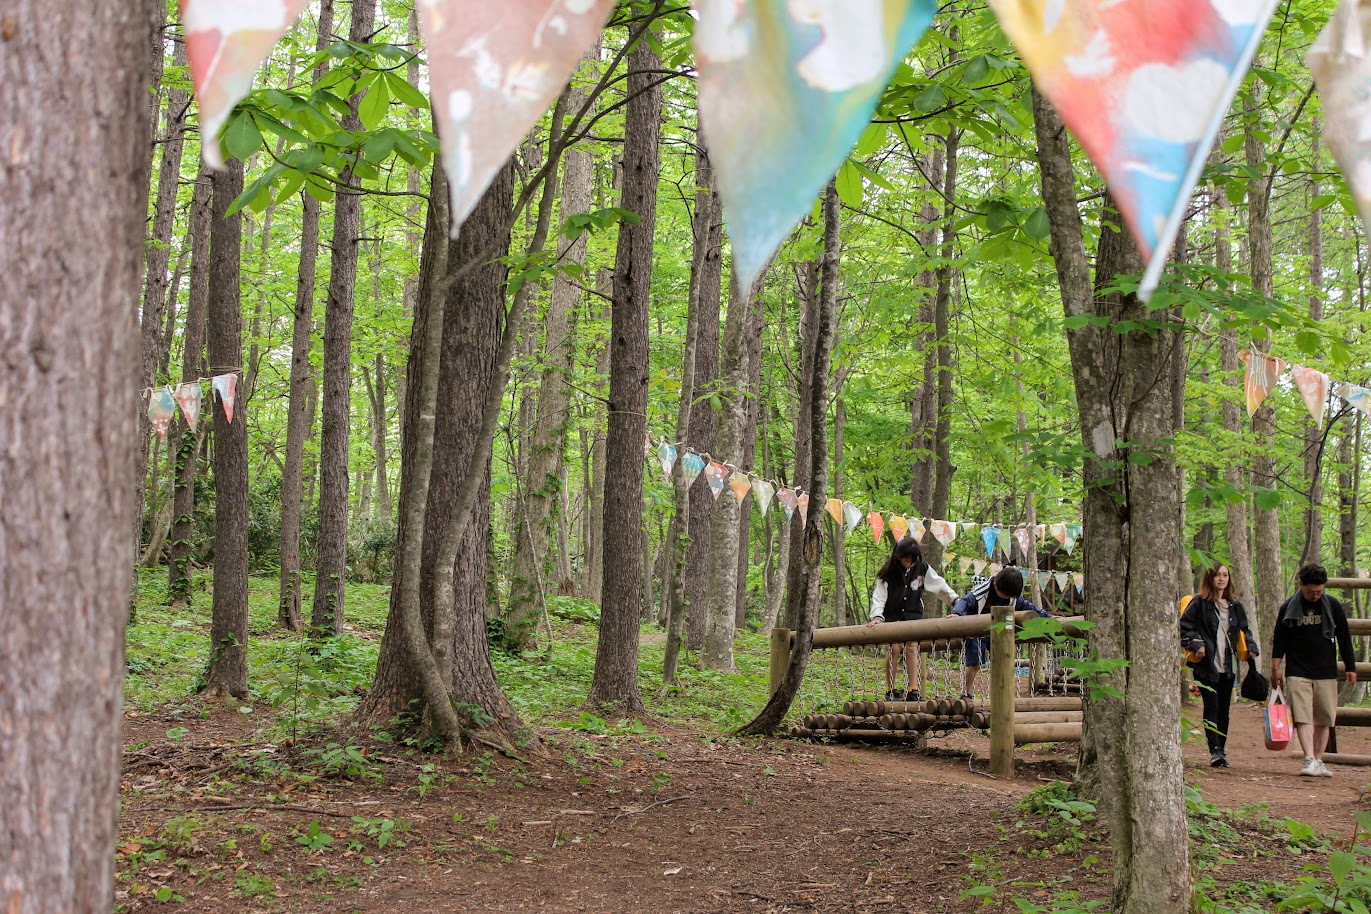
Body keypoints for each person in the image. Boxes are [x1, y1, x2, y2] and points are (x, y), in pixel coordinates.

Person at [1271, 563, 1357, 777]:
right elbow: (1280, 640)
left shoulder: (1333, 606)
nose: (1315, 595)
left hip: (1325, 670)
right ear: (1301, 585)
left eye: (1320, 591)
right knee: (1302, 715)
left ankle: (1319, 760)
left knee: (1324, 717)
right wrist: (1275, 668)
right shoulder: (1289, 607)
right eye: (1311, 591)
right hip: (1297, 668)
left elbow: (1344, 637)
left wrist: (1351, 666)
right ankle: (1308, 758)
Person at [1180, 564, 1259, 768]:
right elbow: (1183, 627)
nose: (1222, 579)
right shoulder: (1199, 603)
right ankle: (1214, 750)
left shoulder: (1235, 606)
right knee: (1212, 706)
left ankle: (1221, 749)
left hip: (1228, 665)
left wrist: (1251, 648)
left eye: (1225, 575)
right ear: (1210, 578)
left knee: (1224, 709)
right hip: (1206, 665)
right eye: (1217, 575)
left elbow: (1244, 631)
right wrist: (1197, 643)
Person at [866, 537, 958, 701]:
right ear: (898, 556)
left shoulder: (922, 567)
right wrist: (877, 617)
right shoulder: (887, 573)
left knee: (912, 647)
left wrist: (956, 602)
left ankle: (913, 689)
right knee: (894, 649)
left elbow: (939, 585)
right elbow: (879, 597)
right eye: (907, 559)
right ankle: (891, 689)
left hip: (913, 613)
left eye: (913, 560)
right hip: (892, 615)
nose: (910, 563)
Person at [951, 567, 1049, 699]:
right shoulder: (983, 590)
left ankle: (1001, 692)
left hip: (997, 633)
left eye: (1010, 596)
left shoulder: (1012, 596)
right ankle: (966, 692)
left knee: (1002, 659)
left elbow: (1029, 606)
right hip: (976, 631)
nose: (1007, 597)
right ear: (995, 584)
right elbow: (965, 601)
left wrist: (1047, 617)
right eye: (1005, 594)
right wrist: (957, 614)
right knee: (975, 664)